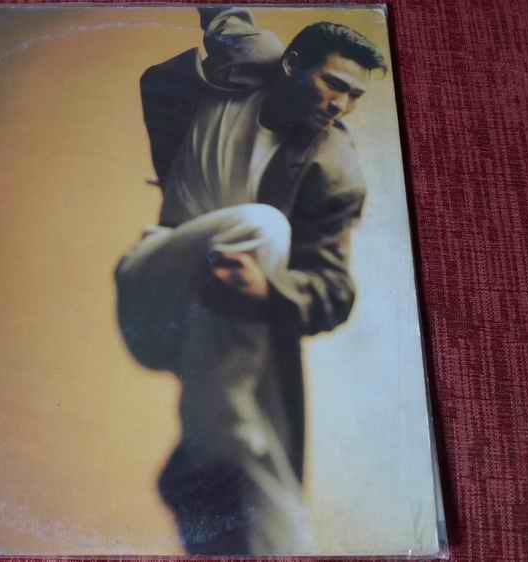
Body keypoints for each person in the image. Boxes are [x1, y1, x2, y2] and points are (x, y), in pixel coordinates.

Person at [115, 7, 387, 555]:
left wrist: (267, 291)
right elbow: (224, 13)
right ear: (290, 64)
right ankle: (218, 442)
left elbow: (334, 290)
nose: (340, 105)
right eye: (333, 84)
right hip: (157, 289)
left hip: (218, 318)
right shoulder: (248, 55)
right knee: (264, 226)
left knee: (264, 474)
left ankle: (211, 462)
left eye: (355, 96)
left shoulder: (335, 167)